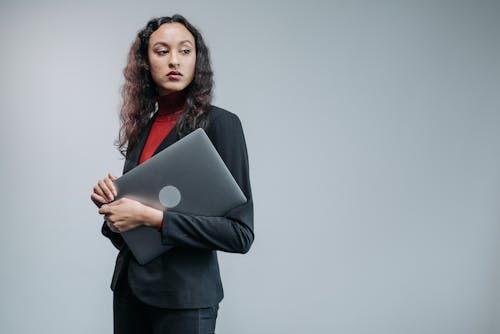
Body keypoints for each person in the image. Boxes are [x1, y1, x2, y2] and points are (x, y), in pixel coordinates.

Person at [90, 14, 254, 334]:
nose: (174, 60)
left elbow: (239, 234)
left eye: (185, 50)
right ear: (146, 63)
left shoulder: (221, 125)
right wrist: (112, 206)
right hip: (129, 294)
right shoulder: (142, 130)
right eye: (162, 51)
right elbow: (129, 237)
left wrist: (154, 217)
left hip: (184, 300)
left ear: (197, 61)